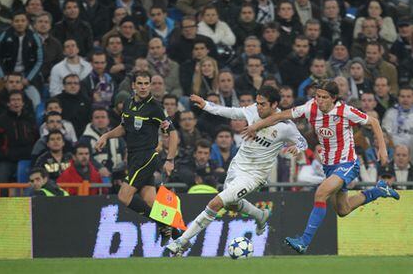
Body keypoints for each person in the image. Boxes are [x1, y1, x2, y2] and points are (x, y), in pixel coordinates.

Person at [242, 80, 400, 254]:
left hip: (347, 163)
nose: (320, 101)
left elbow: (374, 122)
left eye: (324, 97)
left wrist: (382, 148)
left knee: (321, 193)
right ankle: (379, 191)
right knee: (343, 209)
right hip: (329, 166)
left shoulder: (345, 111)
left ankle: (304, 241)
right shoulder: (310, 108)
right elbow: (280, 116)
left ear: (333, 99)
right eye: (318, 96)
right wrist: (255, 126)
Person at [166, 86, 308, 255]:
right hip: (237, 166)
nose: (259, 107)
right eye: (258, 103)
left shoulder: (286, 126)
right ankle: (260, 215)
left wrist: (297, 148)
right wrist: (206, 105)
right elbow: (231, 112)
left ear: (274, 104)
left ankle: (182, 241)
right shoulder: (254, 110)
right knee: (232, 204)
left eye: (263, 104)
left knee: (216, 203)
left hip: (255, 175)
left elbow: (302, 142)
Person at [95, 71, 178, 246]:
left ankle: (163, 225)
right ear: (133, 85)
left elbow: (173, 133)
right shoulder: (128, 103)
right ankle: (178, 232)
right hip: (133, 156)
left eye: (146, 83)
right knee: (150, 200)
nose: (143, 87)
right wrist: (106, 136)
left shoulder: (155, 107)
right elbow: (124, 128)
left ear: (150, 85)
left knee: (124, 196)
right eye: (139, 83)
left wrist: (170, 159)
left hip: (146, 156)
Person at [0, 11, 43, 109]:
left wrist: (28, 79)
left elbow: (39, 60)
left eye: (23, 20)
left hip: (27, 76)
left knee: (35, 101)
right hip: (6, 75)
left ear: (27, 22)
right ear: (12, 22)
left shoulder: (34, 37)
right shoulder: (5, 35)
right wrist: (3, 76)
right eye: (17, 21)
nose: (20, 23)